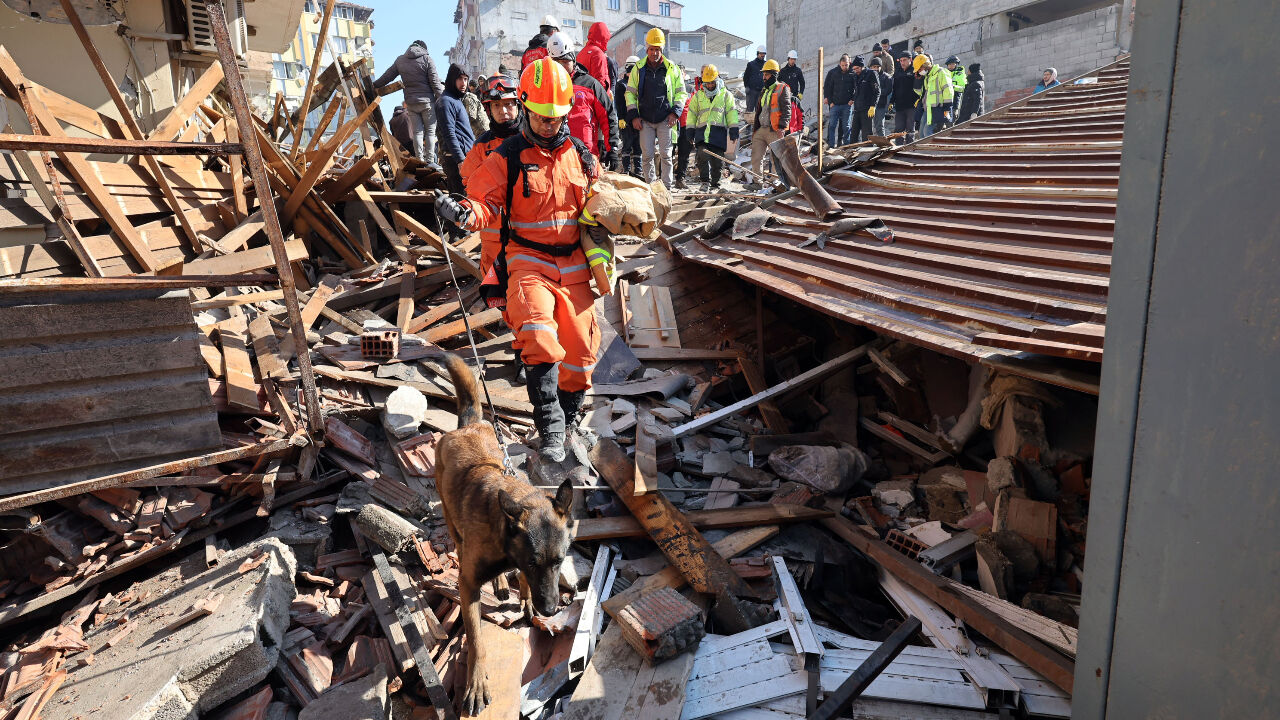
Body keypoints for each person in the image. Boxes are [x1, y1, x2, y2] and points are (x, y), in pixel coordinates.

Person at [434, 58, 601, 466]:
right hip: (528, 260)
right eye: (542, 117)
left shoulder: (580, 155)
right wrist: (463, 214)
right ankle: (551, 429)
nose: (549, 124)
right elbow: (483, 203)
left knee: (580, 354)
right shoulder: (506, 156)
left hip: (575, 263)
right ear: (526, 108)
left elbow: (602, 201)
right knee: (538, 336)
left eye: (557, 117)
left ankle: (572, 417)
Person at [624, 28, 688, 188]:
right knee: (647, 156)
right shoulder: (638, 69)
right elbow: (629, 93)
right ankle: (652, 188)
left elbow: (682, 93)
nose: (654, 53)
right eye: (652, 49)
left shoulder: (672, 68)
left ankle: (666, 188)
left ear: (662, 49)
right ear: (647, 49)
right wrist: (634, 116)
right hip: (644, 120)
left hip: (666, 119)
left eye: (657, 49)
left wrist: (675, 113)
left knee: (666, 155)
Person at [548, 32, 619, 167]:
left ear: (573, 60)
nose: (561, 67)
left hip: (585, 156)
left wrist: (612, 149)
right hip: (554, 156)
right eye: (556, 63)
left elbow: (608, 116)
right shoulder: (546, 85)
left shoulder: (590, 84)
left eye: (564, 62)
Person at [374, 41, 443, 164]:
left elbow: (387, 76)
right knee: (430, 132)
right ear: (424, 49)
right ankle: (430, 160)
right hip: (427, 102)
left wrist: (374, 85)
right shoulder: (427, 59)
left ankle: (419, 159)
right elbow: (435, 82)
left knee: (417, 132)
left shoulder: (400, 60)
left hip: (411, 103)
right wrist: (442, 99)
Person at [686, 64, 739, 191]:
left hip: (718, 133)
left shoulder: (725, 95)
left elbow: (731, 112)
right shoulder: (698, 95)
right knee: (702, 156)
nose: (709, 86)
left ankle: (716, 183)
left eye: (712, 83)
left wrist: (733, 130)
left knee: (717, 162)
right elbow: (692, 113)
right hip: (702, 133)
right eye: (707, 83)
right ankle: (705, 182)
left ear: (717, 79)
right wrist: (690, 130)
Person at [436, 64, 476, 193]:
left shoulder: (456, 100)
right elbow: (449, 134)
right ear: (452, 79)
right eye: (460, 79)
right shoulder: (446, 101)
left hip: (465, 158)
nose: (463, 83)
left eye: (466, 79)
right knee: (461, 203)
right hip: (456, 161)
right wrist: (460, 160)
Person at [750, 58, 791, 185]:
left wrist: (782, 128)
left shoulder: (782, 88)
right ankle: (757, 182)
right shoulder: (764, 90)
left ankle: (775, 183)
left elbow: (787, 110)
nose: (764, 77)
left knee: (775, 159)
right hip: (761, 129)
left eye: (766, 74)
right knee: (756, 157)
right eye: (763, 74)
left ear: (773, 75)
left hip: (774, 130)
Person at [915, 54, 953, 138]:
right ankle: (923, 150)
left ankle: (930, 150)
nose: (919, 71)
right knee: (921, 133)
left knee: (927, 132)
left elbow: (948, 90)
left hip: (938, 109)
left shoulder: (941, 72)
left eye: (920, 69)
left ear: (925, 65)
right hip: (928, 109)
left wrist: (947, 108)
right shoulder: (927, 77)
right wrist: (918, 80)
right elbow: (921, 93)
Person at [615, 55, 641, 175]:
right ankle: (626, 170)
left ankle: (638, 171)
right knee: (627, 146)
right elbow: (619, 103)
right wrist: (621, 118)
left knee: (638, 147)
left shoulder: (639, 84)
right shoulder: (621, 84)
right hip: (626, 120)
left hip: (638, 120)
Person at [823, 53, 854, 149]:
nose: (844, 67)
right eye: (843, 65)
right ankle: (831, 145)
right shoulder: (833, 73)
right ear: (840, 64)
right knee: (832, 126)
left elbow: (856, 87)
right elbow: (828, 87)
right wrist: (830, 101)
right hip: (835, 105)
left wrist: (852, 99)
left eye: (846, 65)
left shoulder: (852, 73)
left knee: (846, 127)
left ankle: (847, 146)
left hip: (846, 105)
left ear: (849, 63)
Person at [674, 70, 697, 189]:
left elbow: (694, 107)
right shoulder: (669, 85)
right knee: (668, 154)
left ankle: (680, 179)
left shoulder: (690, 89)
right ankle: (663, 179)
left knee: (684, 154)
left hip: (686, 125)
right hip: (672, 124)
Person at [850, 56, 879, 144]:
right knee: (853, 134)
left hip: (867, 109)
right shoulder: (855, 76)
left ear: (862, 66)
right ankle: (852, 153)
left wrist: (873, 105)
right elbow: (856, 91)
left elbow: (877, 91)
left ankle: (867, 154)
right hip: (857, 108)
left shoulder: (871, 74)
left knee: (866, 135)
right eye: (854, 69)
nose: (856, 70)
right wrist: (852, 99)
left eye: (857, 68)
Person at [577, 22, 612, 91]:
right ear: (604, 37)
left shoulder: (581, 53)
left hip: (582, 95)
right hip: (595, 98)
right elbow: (600, 81)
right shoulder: (598, 53)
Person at [891, 52, 918, 144]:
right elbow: (894, 88)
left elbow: (919, 87)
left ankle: (910, 148)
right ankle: (898, 148)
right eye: (901, 60)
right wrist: (891, 101)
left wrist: (918, 99)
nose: (902, 62)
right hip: (899, 106)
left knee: (910, 128)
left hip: (911, 105)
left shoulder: (915, 70)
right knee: (898, 129)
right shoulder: (898, 72)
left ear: (910, 60)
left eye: (904, 60)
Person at [870, 55, 893, 137]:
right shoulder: (868, 76)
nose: (876, 68)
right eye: (874, 67)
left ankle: (882, 144)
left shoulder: (887, 77)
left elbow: (888, 90)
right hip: (869, 106)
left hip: (880, 105)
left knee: (879, 126)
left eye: (877, 66)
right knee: (869, 127)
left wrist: (877, 92)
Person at [743, 45, 767, 123]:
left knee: (759, 110)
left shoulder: (766, 65)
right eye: (761, 54)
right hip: (752, 91)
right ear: (757, 53)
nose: (762, 55)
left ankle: (757, 127)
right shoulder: (751, 64)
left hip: (761, 91)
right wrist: (746, 87)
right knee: (749, 109)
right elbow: (746, 77)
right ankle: (748, 128)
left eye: (764, 54)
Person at [945, 56, 966, 121]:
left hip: (955, 101)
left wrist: (953, 87)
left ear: (956, 64)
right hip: (944, 101)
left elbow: (963, 88)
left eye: (953, 64)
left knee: (952, 118)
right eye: (949, 64)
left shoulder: (960, 74)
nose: (951, 66)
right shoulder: (944, 73)